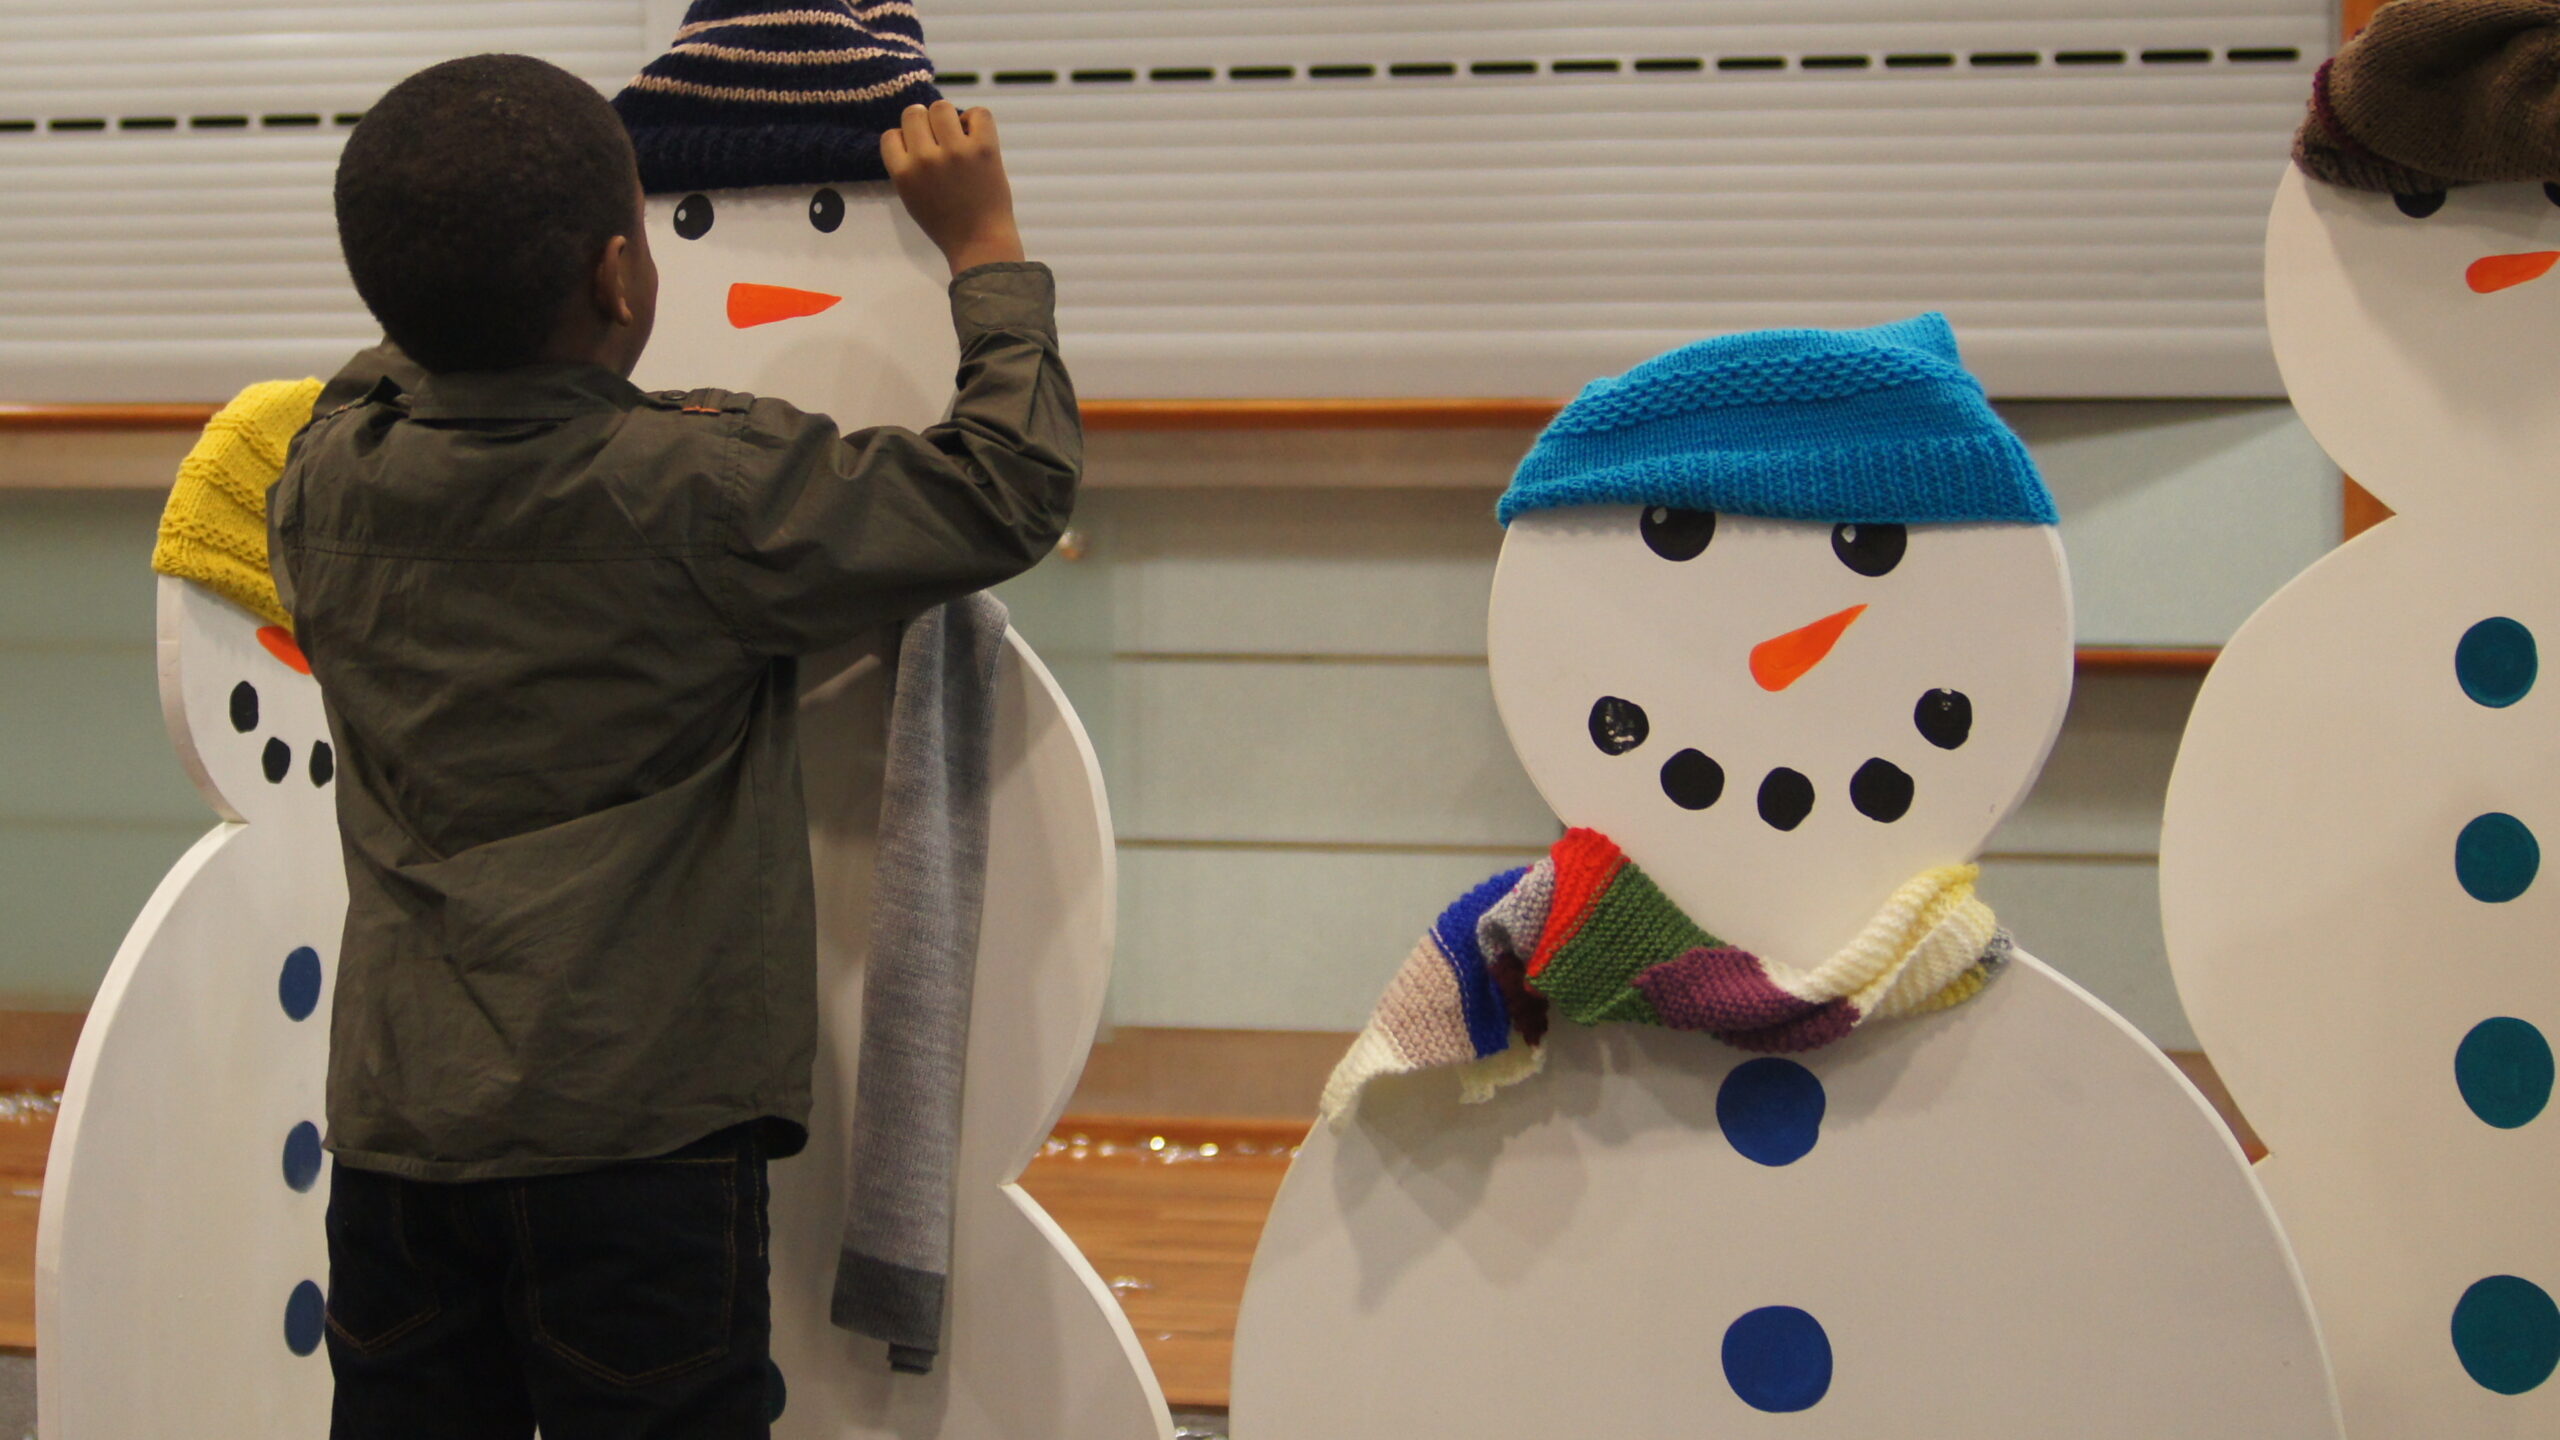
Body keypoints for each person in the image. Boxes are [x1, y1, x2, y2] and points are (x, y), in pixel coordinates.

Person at [267, 52, 1077, 1438]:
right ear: (619, 277)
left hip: (401, 1142)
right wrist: (985, 246)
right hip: (637, 1159)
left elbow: (395, 355)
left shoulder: (321, 485)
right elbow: (1006, 486)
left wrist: (460, 274)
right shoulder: (705, 490)